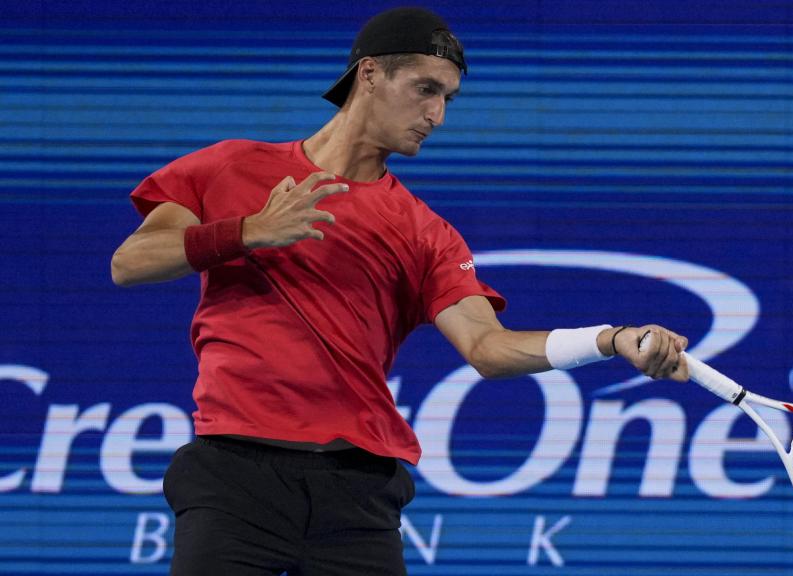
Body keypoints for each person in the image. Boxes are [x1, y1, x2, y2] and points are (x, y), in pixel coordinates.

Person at [111, 7, 689, 575]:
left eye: (447, 99)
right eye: (424, 89)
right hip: (234, 481)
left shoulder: (424, 231)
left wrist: (612, 340)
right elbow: (129, 263)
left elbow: (487, 348)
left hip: (358, 496)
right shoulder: (229, 167)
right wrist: (249, 232)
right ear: (369, 74)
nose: (436, 114)